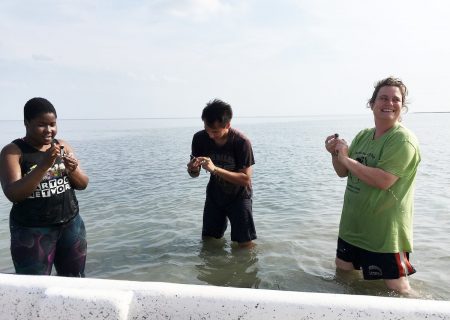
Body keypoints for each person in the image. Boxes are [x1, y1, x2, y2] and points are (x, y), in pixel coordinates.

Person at [325, 77, 421, 294]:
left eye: (396, 99)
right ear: (372, 103)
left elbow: (383, 180)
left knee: (398, 287)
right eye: (383, 98)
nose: (389, 103)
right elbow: (343, 172)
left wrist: (347, 158)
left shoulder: (402, 141)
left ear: (402, 106)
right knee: (344, 273)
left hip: (385, 234)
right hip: (352, 227)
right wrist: (335, 154)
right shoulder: (363, 135)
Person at [0, 97, 89, 277]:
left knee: (76, 281)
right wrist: (43, 165)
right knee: (34, 287)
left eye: (53, 124)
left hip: (70, 224)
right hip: (32, 230)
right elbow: (14, 194)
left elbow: (83, 184)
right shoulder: (13, 151)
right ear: (26, 123)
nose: (49, 130)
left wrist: (72, 170)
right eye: (42, 125)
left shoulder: (62, 146)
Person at [187, 99, 256, 248]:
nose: (211, 135)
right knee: (209, 240)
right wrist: (192, 169)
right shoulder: (199, 138)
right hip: (215, 194)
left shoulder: (241, 142)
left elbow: (245, 179)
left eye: (216, 132)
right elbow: (194, 174)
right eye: (207, 129)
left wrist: (215, 169)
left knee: (244, 244)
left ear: (228, 125)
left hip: (239, 196)